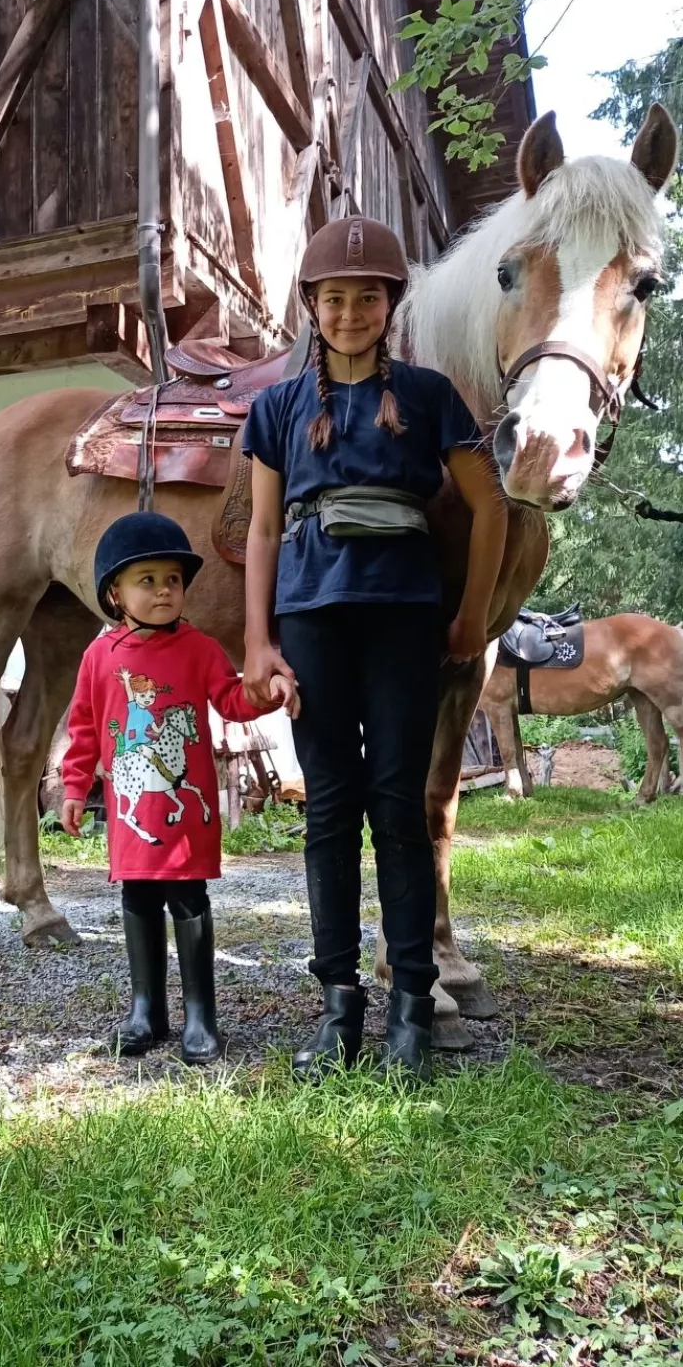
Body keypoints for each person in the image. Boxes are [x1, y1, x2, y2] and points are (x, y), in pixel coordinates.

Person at [242, 217, 506, 1082]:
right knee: (328, 806)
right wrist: (257, 641)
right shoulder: (278, 407)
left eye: (366, 296)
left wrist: (470, 617)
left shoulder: (428, 396)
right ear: (311, 308)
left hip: (403, 616)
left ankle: (409, 1008)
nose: (349, 311)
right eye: (332, 298)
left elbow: (491, 505)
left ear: (389, 306)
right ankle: (337, 1005)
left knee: (398, 803)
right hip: (311, 615)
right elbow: (260, 531)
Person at [61, 513, 297, 1064]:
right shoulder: (100, 658)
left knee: (190, 901)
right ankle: (146, 1009)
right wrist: (75, 788)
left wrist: (268, 691)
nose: (164, 590)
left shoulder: (200, 648)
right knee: (138, 898)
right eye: (147, 580)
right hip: (130, 815)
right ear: (114, 592)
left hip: (187, 817)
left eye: (172, 579)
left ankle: (199, 1016)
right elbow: (84, 728)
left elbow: (232, 700)